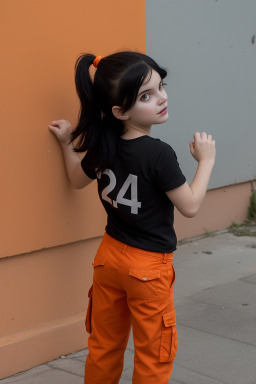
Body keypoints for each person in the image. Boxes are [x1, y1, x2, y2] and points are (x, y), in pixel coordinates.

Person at [48, 51, 216, 384]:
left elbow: (75, 179)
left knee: (104, 346)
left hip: (108, 259)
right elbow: (191, 206)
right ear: (119, 111)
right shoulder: (159, 154)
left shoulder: (101, 144)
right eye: (146, 96)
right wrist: (206, 160)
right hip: (149, 268)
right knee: (154, 355)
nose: (161, 98)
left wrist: (68, 143)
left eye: (160, 86)